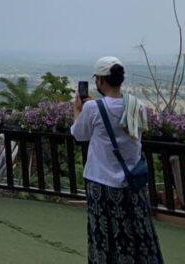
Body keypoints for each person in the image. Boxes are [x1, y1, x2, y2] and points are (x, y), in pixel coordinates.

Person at [71, 56, 163, 264]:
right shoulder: (136, 105)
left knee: (104, 236)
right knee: (137, 234)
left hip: (101, 184)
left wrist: (77, 110)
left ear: (101, 80)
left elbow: (79, 134)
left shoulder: (93, 109)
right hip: (133, 182)